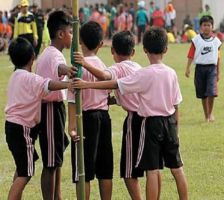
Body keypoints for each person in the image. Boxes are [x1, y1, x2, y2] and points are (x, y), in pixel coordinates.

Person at [72, 27, 188, 200]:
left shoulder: (137, 72)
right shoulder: (164, 72)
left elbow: (110, 81)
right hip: (169, 122)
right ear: (165, 49)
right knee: (175, 168)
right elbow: (176, 103)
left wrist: (86, 83)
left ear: (145, 49)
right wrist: (176, 128)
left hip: (146, 123)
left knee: (148, 170)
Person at [73, 31, 144, 200]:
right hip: (148, 118)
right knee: (149, 168)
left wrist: (84, 68)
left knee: (128, 173)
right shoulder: (138, 68)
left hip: (133, 119)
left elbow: (105, 76)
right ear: (133, 52)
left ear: (112, 50)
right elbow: (124, 92)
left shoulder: (116, 68)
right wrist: (109, 101)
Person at [5, 37, 70, 200]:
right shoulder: (30, 78)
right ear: (32, 58)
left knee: (22, 168)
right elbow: (48, 84)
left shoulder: (15, 76)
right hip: (23, 129)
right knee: (26, 174)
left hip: (12, 126)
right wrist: (68, 84)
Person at [68, 21, 113, 200]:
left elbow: (72, 100)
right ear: (101, 44)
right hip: (103, 117)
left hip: (84, 119)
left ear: (80, 42)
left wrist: (71, 127)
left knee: (83, 171)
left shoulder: (77, 67)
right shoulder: (102, 65)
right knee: (105, 169)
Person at [35, 10, 76, 200]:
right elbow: (59, 69)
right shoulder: (53, 55)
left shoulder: (53, 52)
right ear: (61, 34)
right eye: (70, 32)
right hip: (50, 109)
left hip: (56, 109)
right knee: (51, 162)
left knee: (56, 159)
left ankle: (57, 196)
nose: (72, 36)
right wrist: (68, 70)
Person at [185, 15, 222, 122]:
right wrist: (188, 68)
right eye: (204, 25)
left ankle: (210, 114)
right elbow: (191, 55)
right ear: (200, 26)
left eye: (208, 25)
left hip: (212, 69)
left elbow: (218, 58)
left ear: (212, 26)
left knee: (211, 92)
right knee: (202, 94)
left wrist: (218, 72)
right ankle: (206, 115)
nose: (206, 27)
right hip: (200, 69)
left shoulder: (216, 41)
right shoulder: (196, 40)